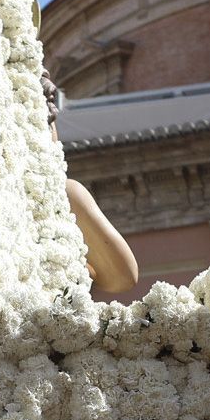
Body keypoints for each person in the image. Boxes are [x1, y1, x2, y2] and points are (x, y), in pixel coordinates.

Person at [47, 74, 141, 297]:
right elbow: (124, 277)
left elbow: (124, 277)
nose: (55, 135)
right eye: (50, 122)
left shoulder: (64, 194)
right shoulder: (64, 194)